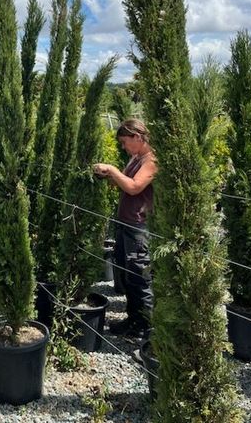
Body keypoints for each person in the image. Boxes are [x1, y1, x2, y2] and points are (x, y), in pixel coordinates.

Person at [93, 118, 156, 338]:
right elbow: (124, 183)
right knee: (128, 276)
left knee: (140, 278)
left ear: (137, 137)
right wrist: (109, 176)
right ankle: (133, 320)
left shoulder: (151, 160)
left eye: (124, 141)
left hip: (139, 227)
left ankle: (147, 331)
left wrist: (111, 168)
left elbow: (134, 187)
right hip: (125, 224)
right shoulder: (136, 157)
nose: (123, 146)